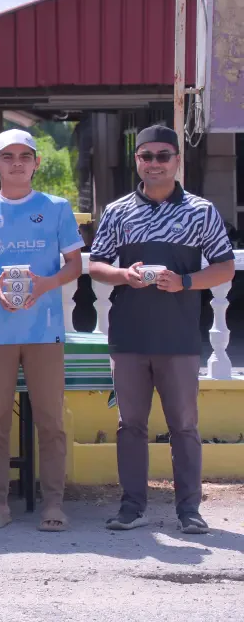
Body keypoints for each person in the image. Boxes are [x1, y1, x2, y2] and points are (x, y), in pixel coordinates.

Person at [88, 124, 235, 534]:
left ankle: (189, 509)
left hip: (179, 337)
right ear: (137, 161)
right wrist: (123, 273)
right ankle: (131, 506)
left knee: (184, 426)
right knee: (130, 425)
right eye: (145, 156)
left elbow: (224, 267)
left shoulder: (201, 211)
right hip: (129, 337)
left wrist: (185, 281)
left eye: (162, 156)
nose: (153, 163)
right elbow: (95, 263)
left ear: (176, 160)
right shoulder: (118, 211)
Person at [0, 129, 84, 532]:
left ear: (36, 163)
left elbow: (74, 265)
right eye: (7, 156)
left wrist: (44, 284)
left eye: (24, 156)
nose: (16, 163)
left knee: (51, 422)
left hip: (45, 330)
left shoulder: (57, 208)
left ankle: (54, 504)